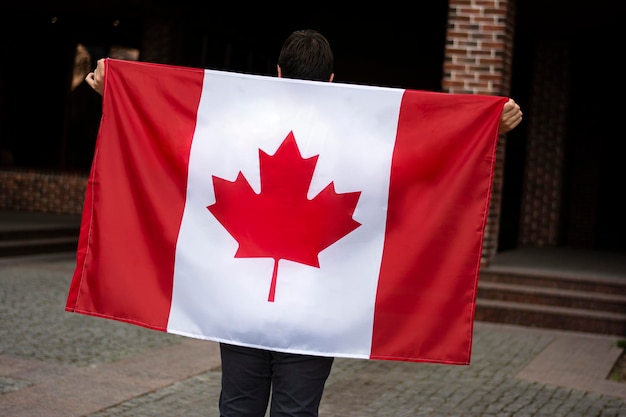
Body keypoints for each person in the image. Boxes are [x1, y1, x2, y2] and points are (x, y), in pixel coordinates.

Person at [85, 29, 522, 417]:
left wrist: (120, 92)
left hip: (239, 303)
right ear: (332, 80)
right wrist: (486, 129)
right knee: (297, 412)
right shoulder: (362, 137)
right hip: (319, 310)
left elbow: (175, 135)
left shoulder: (235, 123)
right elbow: (421, 155)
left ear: (276, 72)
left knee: (238, 406)